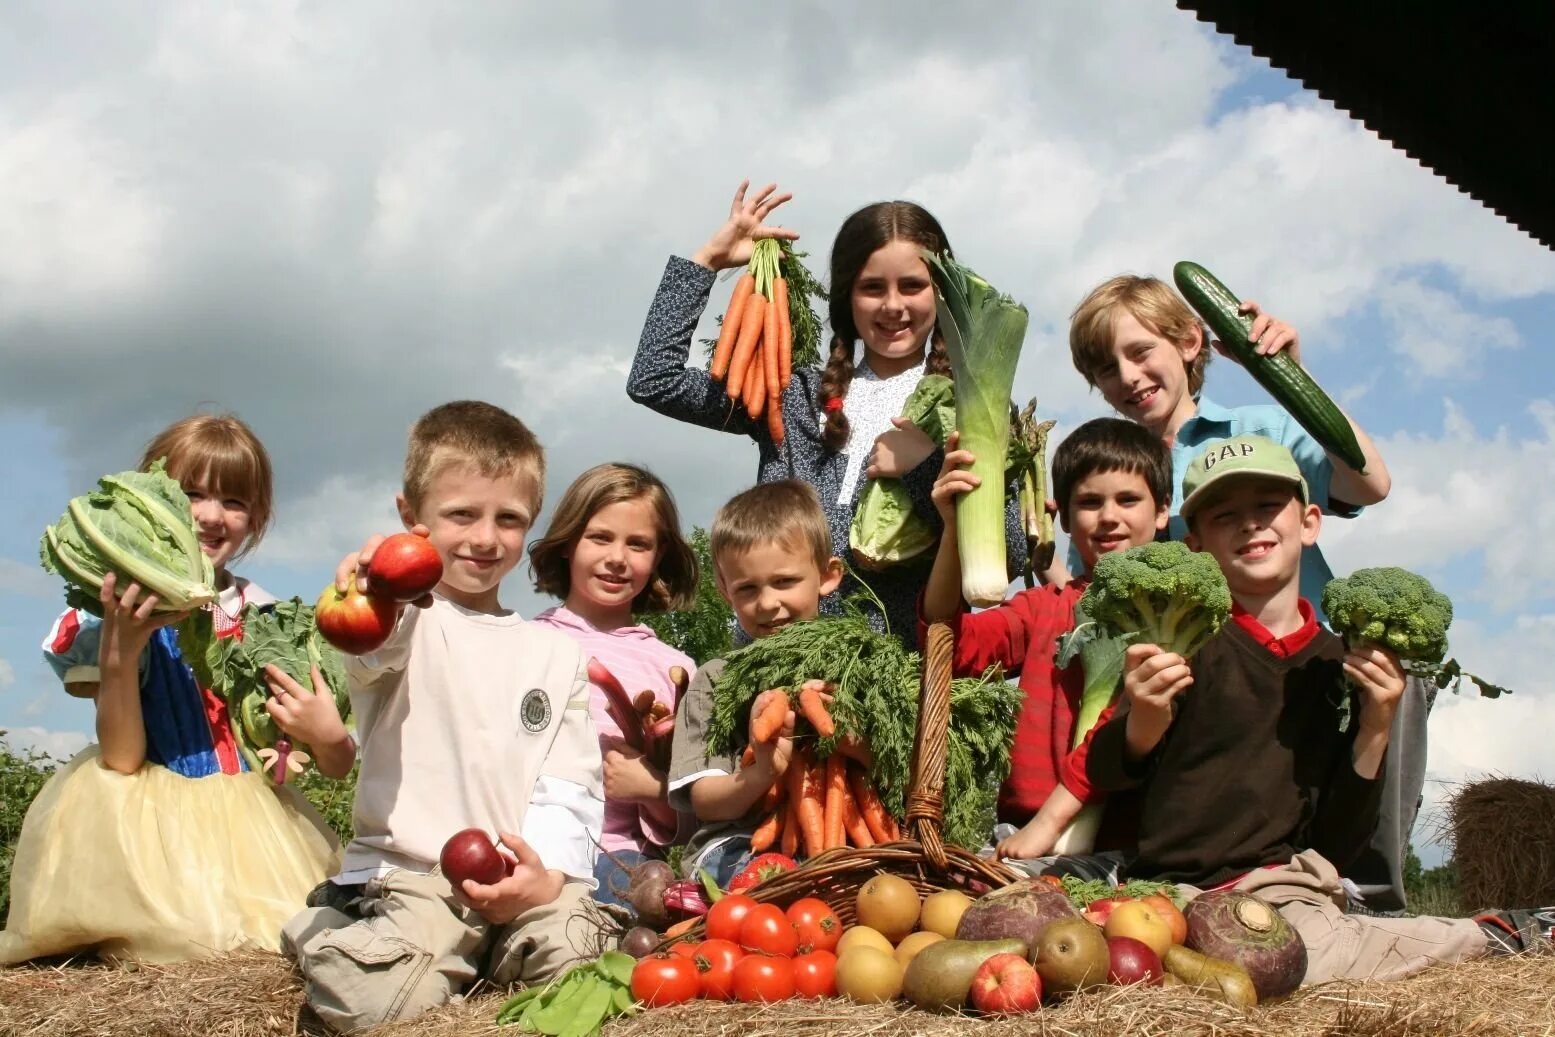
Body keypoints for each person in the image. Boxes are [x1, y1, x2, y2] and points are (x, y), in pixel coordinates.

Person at [1083, 434, 1550, 983]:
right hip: (1174, 892)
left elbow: (1340, 843)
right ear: (1197, 546)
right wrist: (1144, 717)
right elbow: (1104, 769)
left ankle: (1496, 934)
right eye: (1225, 514)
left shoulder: (1338, 664)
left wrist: (1376, 724)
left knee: (1302, 950)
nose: (1251, 525)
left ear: (1308, 522)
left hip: (1282, 891)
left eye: (1266, 507)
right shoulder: (1181, 642)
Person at [1068, 274, 1427, 915]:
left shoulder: (1261, 426)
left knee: (1385, 702)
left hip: (1308, 666)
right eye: (1106, 368)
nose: (1127, 375)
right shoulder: (1114, 468)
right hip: (1208, 691)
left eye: (1140, 351)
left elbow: (1369, 484)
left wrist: (1291, 378)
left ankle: (1374, 898)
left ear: (1188, 341)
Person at [278, 401, 604, 1034]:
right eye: (461, 514)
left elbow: (570, 782)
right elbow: (372, 644)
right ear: (410, 516)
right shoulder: (403, 619)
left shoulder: (557, 652)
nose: (485, 538)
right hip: (414, 874)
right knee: (384, 1005)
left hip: (517, 878)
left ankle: (491, 950)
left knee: (586, 960)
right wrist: (379, 582)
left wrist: (545, 876)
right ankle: (326, 930)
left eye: (508, 519)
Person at [1, 414, 339, 965]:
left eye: (234, 501)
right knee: (185, 932)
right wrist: (121, 652)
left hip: (249, 819)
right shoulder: (116, 610)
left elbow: (289, 748)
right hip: (143, 815)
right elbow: (123, 759)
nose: (210, 515)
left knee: (279, 929)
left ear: (256, 518)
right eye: (191, 494)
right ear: (152, 504)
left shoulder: (260, 615)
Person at [627, 182, 1022, 647]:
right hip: (774, 668)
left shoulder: (972, 410)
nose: (893, 305)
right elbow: (654, 379)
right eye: (872, 288)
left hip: (895, 682)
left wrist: (923, 469)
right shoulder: (792, 396)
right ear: (847, 298)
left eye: (912, 286)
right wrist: (708, 261)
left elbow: (1010, 554)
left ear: (940, 294)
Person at [921, 418, 1170, 863]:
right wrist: (953, 530)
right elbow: (951, 648)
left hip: (1130, 846)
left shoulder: (1173, 617)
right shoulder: (1044, 608)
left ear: (1163, 510)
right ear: (1066, 518)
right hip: (1021, 832)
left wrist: (1053, 821)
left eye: (1128, 500)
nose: (1109, 516)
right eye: (1090, 502)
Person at [528, 463, 698, 908]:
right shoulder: (524, 644)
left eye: (638, 544)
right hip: (532, 849)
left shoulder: (676, 669)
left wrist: (654, 788)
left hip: (625, 859)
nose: (618, 557)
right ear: (567, 543)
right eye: (600, 537)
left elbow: (693, 814)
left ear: (659, 556)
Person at [666, 480, 845, 885]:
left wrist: (849, 737)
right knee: (761, 876)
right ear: (725, 592)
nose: (766, 603)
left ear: (828, 576)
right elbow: (705, 803)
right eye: (747, 589)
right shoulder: (714, 680)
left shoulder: (858, 670)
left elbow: (899, 778)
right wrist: (762, 771)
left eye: (784, 582)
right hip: (738, 844)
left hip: (841, 846)